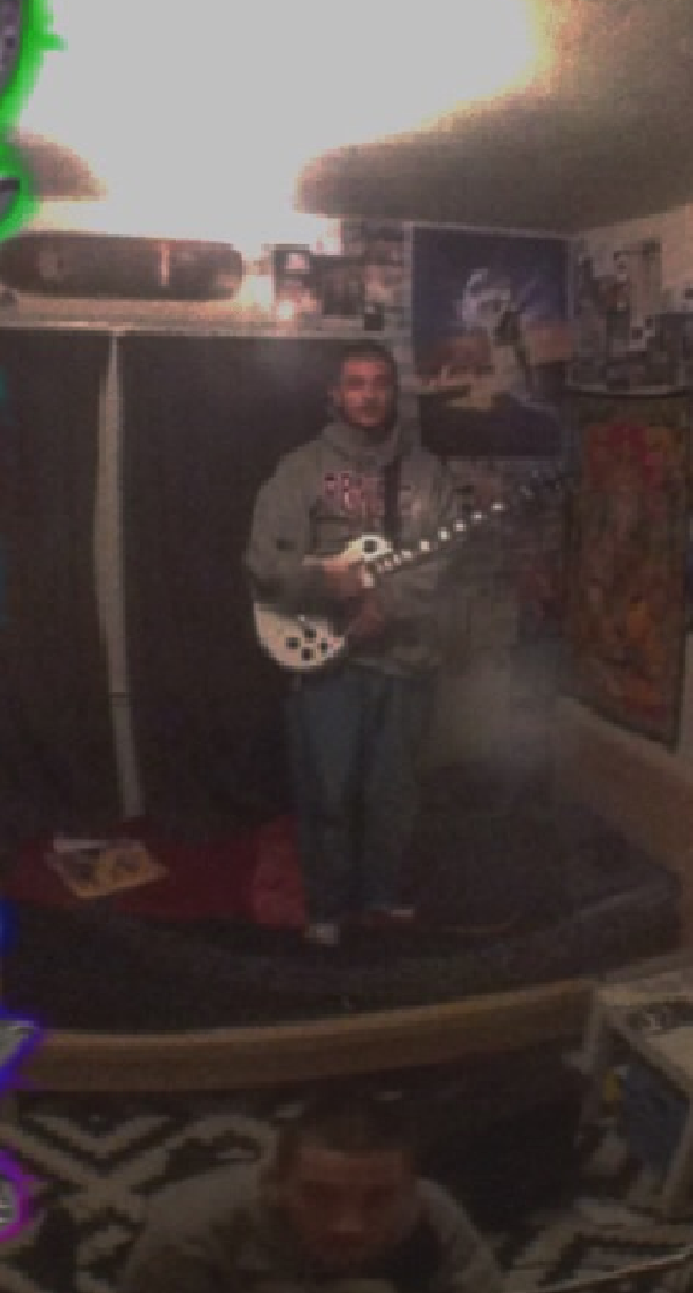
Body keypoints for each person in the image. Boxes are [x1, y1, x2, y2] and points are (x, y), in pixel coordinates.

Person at [244, 340, 456, 947]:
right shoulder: (300, 470)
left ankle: (383, 896)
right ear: (335, 395)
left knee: (395, 793)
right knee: (327, 793)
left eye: (380, 383)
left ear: (395, 392)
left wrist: (386, 607)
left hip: (405, 660)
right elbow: (263, 562)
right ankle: (328, 908)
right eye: (356, 383)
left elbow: (443, 562)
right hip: (326, 662)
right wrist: (325, 583)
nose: (368, 395)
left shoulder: (428, 475)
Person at [120, 1090, 503, 1293]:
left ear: (410, 1195)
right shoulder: (188, 1234)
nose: (348, 1226)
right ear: (276, 1185)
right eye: (320, 1196)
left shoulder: (436, 1220)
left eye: (378, 1199)